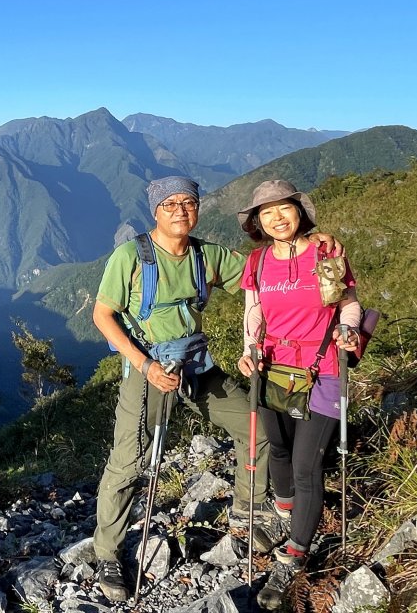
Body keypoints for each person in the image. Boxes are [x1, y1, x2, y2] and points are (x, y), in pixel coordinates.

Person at [90, 175, 339, 603]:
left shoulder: (205, 256)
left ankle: (247, 514)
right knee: (129, 462)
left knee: (256, 430)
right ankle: (107, 553)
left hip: (197, 365)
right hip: (151, 366)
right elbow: (102, 315)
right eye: (170, 204)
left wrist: (314, 244)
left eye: (188, 202)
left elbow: (265, 272)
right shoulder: (131, 257)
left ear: (198, 208)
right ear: (155, 211)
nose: (181, 211)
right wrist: (145, 365)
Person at [236, 180, 361, 611]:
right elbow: (253, 313)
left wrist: (348, 328)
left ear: (299, 211)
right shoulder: (257, 261)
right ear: (257, 222)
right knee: (281, 450)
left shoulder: (327, 254)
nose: (276, 217)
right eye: (266, 212)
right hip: (272, 369)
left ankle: (295, 553)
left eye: (283, 208)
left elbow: (348, 303)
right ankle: (287, 513)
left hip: (322, 367)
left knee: (308, 464)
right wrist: (247, 351)